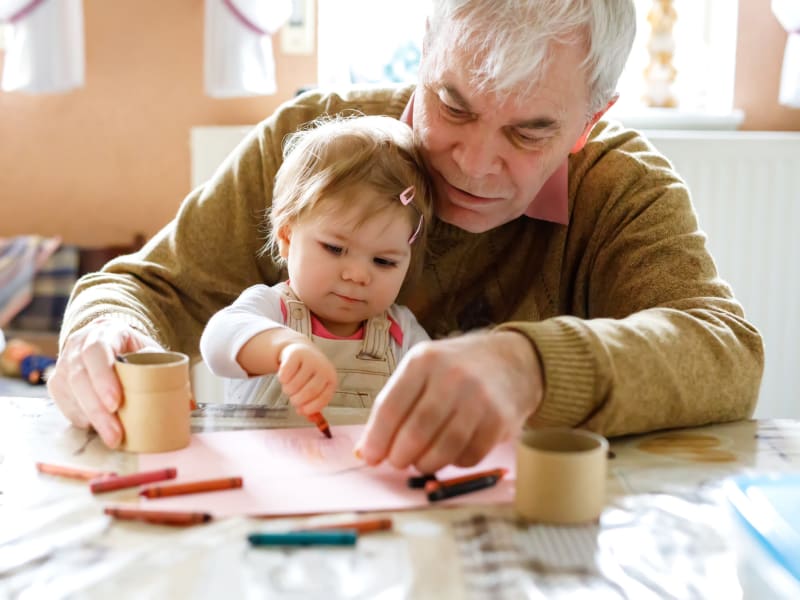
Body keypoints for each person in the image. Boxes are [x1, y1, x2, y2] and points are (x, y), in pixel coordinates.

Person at [48, 0, 763, 475]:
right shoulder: (320, 147)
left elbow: (725, 353)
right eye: (453, 103)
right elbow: (144, 286)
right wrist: (105, 331)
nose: (475, 163)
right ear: (426, 49)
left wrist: (531, 366)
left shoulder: (621, 189)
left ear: (589, 122)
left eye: (530, 131)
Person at [198, 115, 433, 416]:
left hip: (362, 462)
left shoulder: (400, 332)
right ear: (286, 236)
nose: (358, 275)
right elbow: (216, 343)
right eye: (335, 249)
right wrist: (283, 347)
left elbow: (437, 389)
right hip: (270, 462)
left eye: (384, 261)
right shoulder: (272, 309)